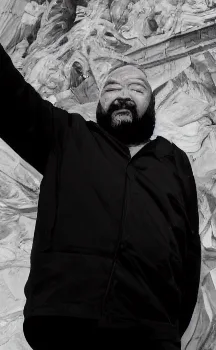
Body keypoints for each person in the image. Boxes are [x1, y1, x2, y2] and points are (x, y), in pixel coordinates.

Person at [0, 44, 201, 350]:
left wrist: (169, 326)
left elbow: (189, 251)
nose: (123, 95)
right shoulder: (68, 136)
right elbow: (10, 98)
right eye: (112, 88)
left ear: (151, 103)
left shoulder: (174, 160)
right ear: (99, 100)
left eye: (136, 88)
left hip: (151, 331)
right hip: (67, 319)